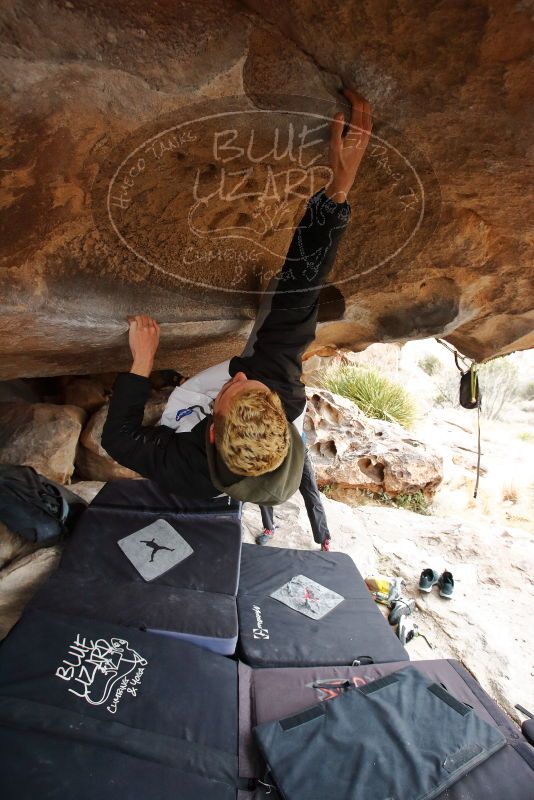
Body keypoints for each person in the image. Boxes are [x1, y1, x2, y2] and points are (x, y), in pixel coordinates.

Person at [101, 89, 372, 505]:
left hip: (202, 470)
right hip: (267, 393)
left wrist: (141, 364)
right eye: (255, 389)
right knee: (282, 302)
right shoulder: (278, 385)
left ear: (211, 426)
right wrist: (336, 194)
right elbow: (303, 287)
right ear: (278, 410)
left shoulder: (186, 465)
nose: (241, 377)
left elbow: (119, 439)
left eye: (232, 390)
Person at [257, 444, 332, 550]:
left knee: (312, 495)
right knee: (263, 487)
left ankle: (323, 538)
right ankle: (269, 527)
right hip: (274, 453)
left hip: (299, 454)